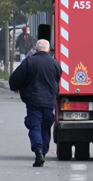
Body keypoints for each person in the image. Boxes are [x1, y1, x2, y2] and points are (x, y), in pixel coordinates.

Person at [8, 39, 62, 167]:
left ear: (36, 49)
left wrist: (17, 87)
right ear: (48, 50)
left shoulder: (29, 62)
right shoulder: (55, 63)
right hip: (49, 101)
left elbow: (15, 79)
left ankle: (38, 151)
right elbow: (58, 78)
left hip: (34, 100)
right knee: (45, 127)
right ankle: (43, 151)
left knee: (35, 126)